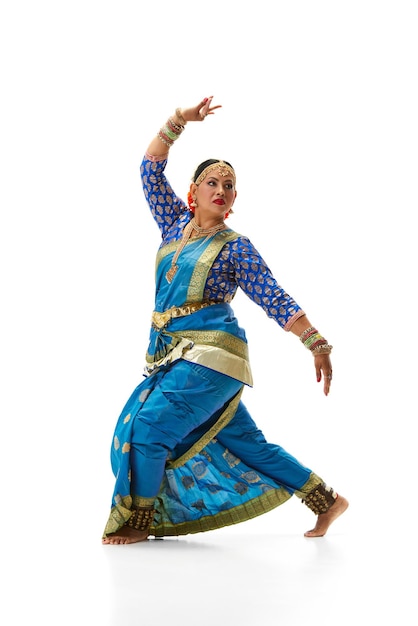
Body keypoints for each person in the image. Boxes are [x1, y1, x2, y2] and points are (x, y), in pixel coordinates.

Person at [102, 96, 348, 545]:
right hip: (172, 356)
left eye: (229, 185)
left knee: (148, 427)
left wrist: (316, 341)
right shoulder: (173, 225)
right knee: (245, 442)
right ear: (193, 192)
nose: (221, 189)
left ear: (234, 199)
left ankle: (139, 520)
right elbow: (149, 169)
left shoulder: (236, 247)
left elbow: (272, 296)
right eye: (211, 182)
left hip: (213, 355)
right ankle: (326, 500)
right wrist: (178, 121)